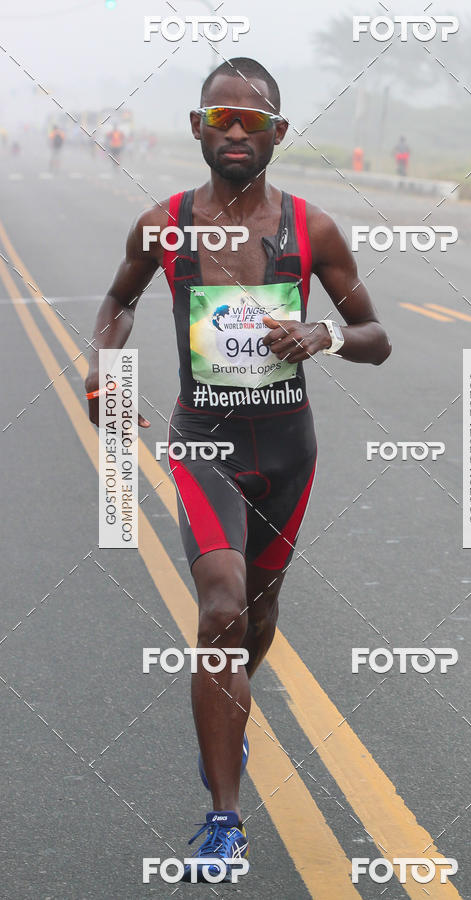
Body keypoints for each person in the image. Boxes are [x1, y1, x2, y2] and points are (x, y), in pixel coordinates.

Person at [85, 57, 391, 883]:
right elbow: (118, 302)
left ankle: (229, 706)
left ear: (277, 135)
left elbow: (376, 336)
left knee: (256, 611)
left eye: (252, 121)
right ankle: (225, 818)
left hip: (288, 449)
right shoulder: (163, 225)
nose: (234, 131)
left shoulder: (313, 230)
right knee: (219, 606)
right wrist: (100, 372)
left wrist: (324, 336)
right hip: (202, 442)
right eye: (220, 117)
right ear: (196, 127)